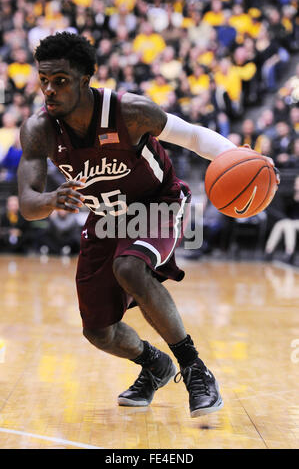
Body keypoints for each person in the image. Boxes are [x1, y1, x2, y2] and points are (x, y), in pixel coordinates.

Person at [17, 33, 277, 418]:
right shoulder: (38, 129)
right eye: (44, 80)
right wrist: (51, 200)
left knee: (129, 267)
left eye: (61, 80)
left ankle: (195, 370)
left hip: (157, 202)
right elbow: (27, 203)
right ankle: (155, 364)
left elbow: (190, 135)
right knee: (98, 331)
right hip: (106, 217)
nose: (49, 90)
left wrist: (239, 158)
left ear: (86, 78)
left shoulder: (130, 112)